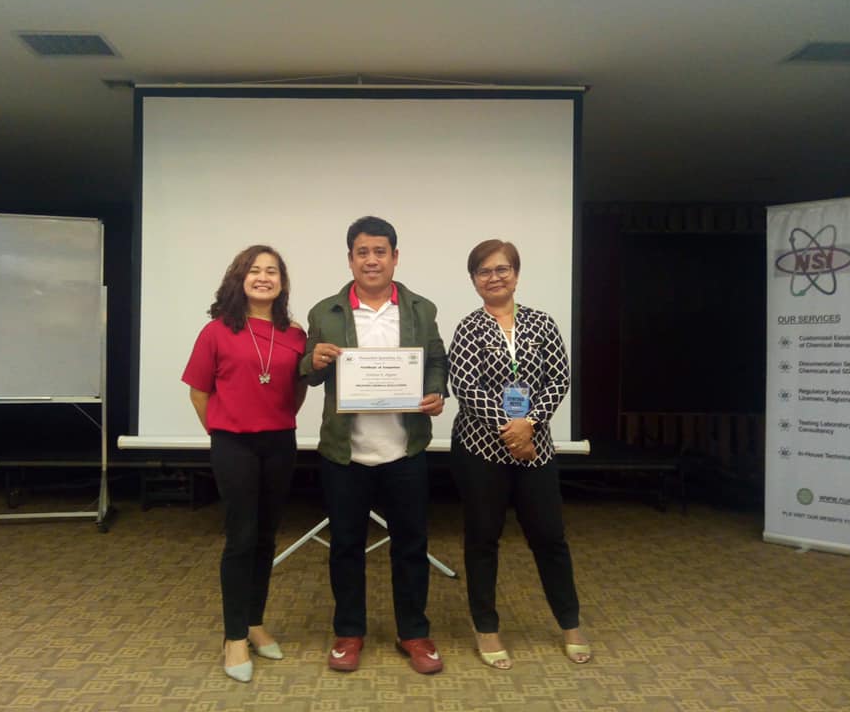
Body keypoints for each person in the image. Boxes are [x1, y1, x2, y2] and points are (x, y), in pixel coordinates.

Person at [300, 215, 448, 674]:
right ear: (350, 259)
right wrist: (313, 360)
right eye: (362, 252)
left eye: (380, 251)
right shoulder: (325, 312)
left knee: (411, 545)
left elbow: (436, 361)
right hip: (345, 453)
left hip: (405, 449)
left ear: (395, 257)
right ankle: (349, 632)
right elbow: (307, 372)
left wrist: (436, 392)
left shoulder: (421, 309)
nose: (371, 260)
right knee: (345, 546)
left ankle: (414, 632)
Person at [447, 239, 591, 670]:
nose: (494, 277)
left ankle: (570, 623)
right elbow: (466, 388)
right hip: (480, 450)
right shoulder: (469, 328)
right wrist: (512, 431)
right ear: (474, 280)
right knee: (482, 538)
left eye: (502, 269)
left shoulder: (542, 323)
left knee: (549, 537)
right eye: (484, 271)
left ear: (515, 274)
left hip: (536, 449)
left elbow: (559, 379)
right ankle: (486, 626)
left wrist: (529, 424)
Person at [182, 244, 307, 683]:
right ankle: (233, 636)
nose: (264, 277)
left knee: (267, 537)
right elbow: (199, 392)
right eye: (255, 270)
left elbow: (296, 390)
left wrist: (274, 420)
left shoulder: (295, 334)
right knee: (241, 538)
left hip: (280, 443)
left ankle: (254, 622)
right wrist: (223, 430)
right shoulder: (215, 331)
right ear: (239, 278)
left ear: (282, 283)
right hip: (233, 444)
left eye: (272, 271)